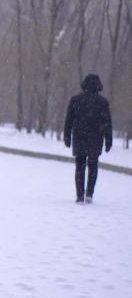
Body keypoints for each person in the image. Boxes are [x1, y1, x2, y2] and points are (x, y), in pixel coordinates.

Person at [63, 74, 113, 204]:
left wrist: (67, 136)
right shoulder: (103, 102)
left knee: (80, 166)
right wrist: (108, 140)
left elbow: (69, 120)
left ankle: (80, 195)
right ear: (98, 86)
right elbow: (107, 123)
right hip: (95, 138)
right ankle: (89, 193)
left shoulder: (75, 100)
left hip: (80, 137)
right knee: (93, 165)